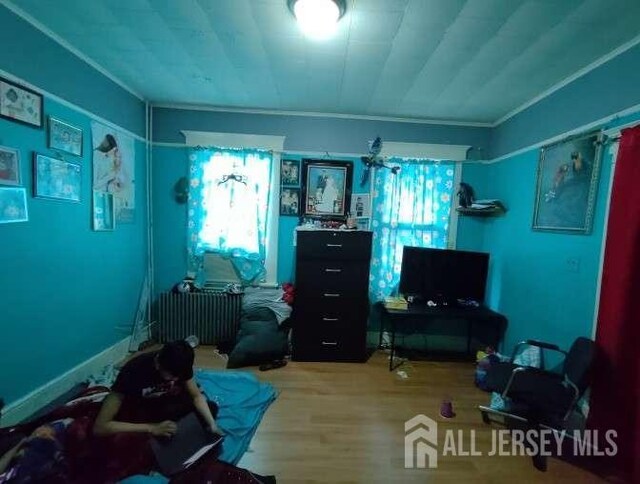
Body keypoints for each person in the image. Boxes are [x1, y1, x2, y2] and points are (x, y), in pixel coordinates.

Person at [93, 340, 222, 438]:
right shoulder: (132, 371)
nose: (175, 380)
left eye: (178, 377)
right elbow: (101, 426)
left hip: (167, 405)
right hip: (142, 411)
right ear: (157, 364)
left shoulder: (180, 364)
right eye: (171, 376)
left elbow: (196, 396)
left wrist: (212, 424)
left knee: (210, 410)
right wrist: (152, 428)